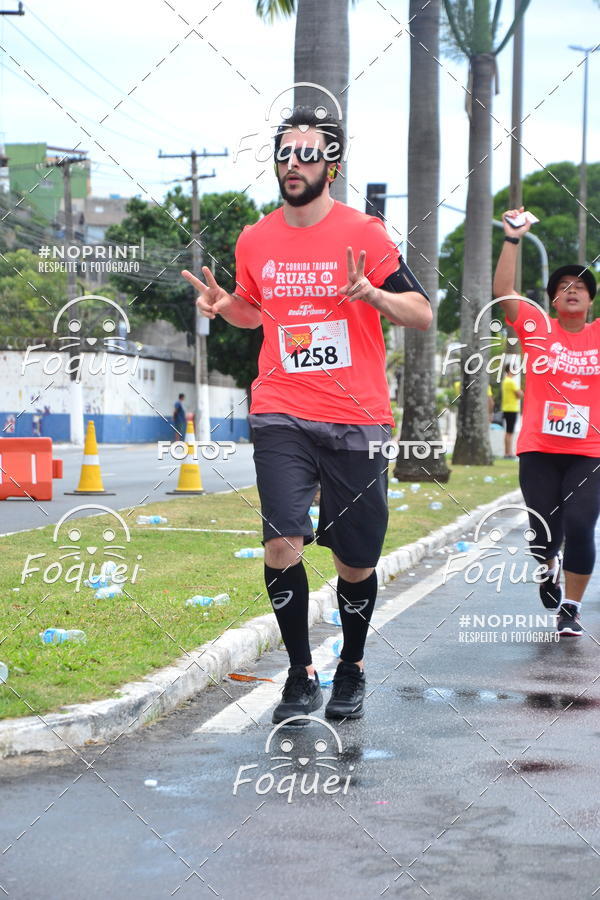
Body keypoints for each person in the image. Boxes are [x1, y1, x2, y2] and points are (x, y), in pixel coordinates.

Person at [182, 106, 431, 721]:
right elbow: (252, 310)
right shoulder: (255, 238)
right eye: (285, 154)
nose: (294, 164)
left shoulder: (365, 233)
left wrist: (373, 294)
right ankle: (300, 672)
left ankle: (352, 665)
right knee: (281, 543)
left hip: (357, 415)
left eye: (308, 154)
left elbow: (422, 312)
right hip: (281, 409)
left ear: (332, 167)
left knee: (356, 560)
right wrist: (224, 304)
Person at [493, 206, 600, 637]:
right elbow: (504, 290)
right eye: (563, 287)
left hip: (589, 451)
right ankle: (548, 565)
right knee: (543, 534)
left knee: (580, 524)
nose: (572, 291)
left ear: (590, 300)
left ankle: (570, 607)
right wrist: (512, 238)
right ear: (553, 299)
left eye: (581, 287)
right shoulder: (538, 327)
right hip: (539, 448)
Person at [500, 365, 523, 457]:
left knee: (508, 431)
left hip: (506, 408)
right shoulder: (511, 382)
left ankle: (507, 452)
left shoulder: (505, 381)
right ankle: (509, 453)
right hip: (512, 409)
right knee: (510, 432)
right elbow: (520, 394)